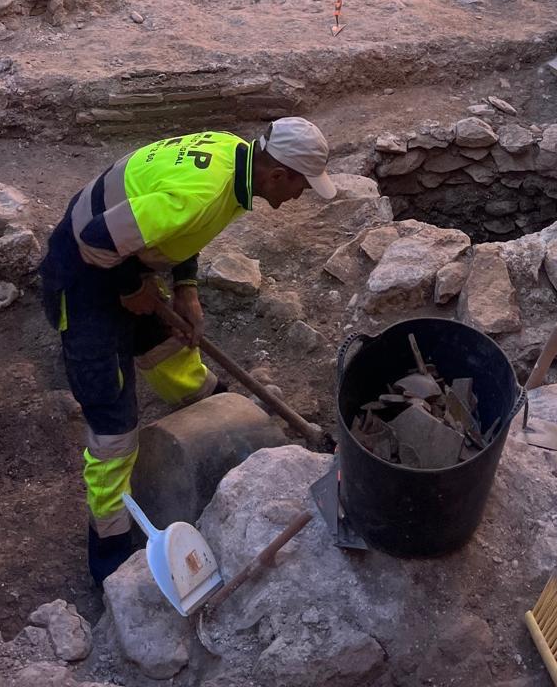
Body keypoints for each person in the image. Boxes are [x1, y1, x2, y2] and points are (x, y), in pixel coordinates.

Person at [39, 117, 336, 582]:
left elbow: (178, 231)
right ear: (278, 175)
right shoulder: (201, 192)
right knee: (113, 428)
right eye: (304, 186)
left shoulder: (233, 157)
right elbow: (94, 239)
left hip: (125, 254)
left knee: (173, 355)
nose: (302, 197)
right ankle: (110, 554)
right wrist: (130, 286)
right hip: (83, 276)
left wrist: (186, 287)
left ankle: (229, 431)